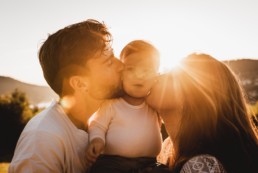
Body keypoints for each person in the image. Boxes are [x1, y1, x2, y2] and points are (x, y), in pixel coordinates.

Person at [8, 19, 124, 173]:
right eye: (109, 62)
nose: (121, 65)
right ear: (80, 83)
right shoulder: (43, 141)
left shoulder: (102, 125)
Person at [145, 53, 258, 173]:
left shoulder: (202, 165)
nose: (158, 76)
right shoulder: (168, 147)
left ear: (194, 96)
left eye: (171, 76)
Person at [86, 40, 163, 173]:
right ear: (121, 75)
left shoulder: (155, 104)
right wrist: (97, 139)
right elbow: (97, 124)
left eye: (146, 70)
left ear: (156, 76)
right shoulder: (112, 104)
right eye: (131, 69)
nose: (139, 76)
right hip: (114, 164)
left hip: (150, 164)